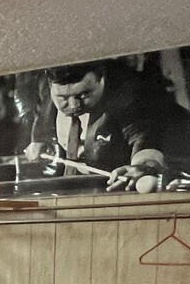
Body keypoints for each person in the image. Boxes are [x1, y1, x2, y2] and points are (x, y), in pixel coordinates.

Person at [19, 60, 167, 191]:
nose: (73, 105)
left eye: (84, 95)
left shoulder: (126, 98)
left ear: (101, 80)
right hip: (57, 193)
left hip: (107, 193)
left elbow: (142, 137)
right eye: (63, 98)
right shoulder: (43, 88)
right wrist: (38, 141)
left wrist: (144, 166)